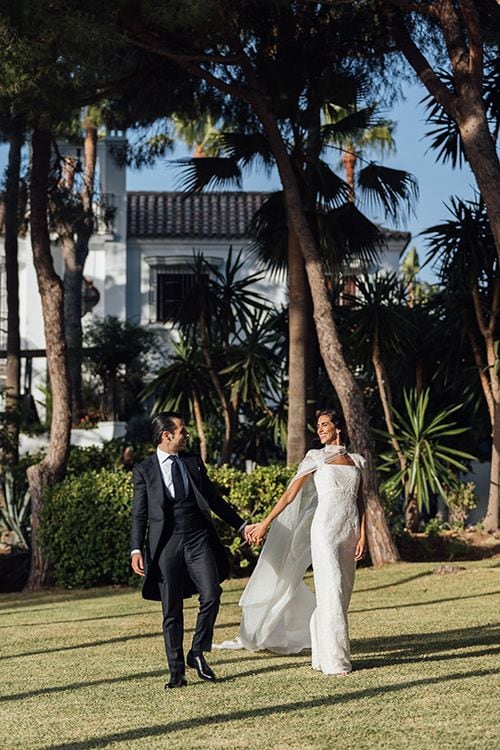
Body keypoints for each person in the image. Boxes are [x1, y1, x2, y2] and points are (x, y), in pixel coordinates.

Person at [130, 412, 250, 689]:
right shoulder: (144, 470)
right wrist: (135, 549)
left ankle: (196, 652)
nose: (187, 435)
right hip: (165, 545)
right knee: (171, 609)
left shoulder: (193, 462)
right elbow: (139, 514)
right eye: (182, 431)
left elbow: (215, 500)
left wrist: (241, 526)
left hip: (197, 538)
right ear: (166, 436)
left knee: (211, 594)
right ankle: (176, 671)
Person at [242, 410, 366, 675]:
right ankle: (336, 662)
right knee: (331, 590)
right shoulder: (315, 457)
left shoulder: (357, 461)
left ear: (338, 427)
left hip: (349, 532)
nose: (320, 429)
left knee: (340, 595)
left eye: (325, 424)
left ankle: (321, 652)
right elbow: (289, 496)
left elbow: (360, 501)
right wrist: (264, 523)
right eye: (318, 425)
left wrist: (363, 534)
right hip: (324, 532)